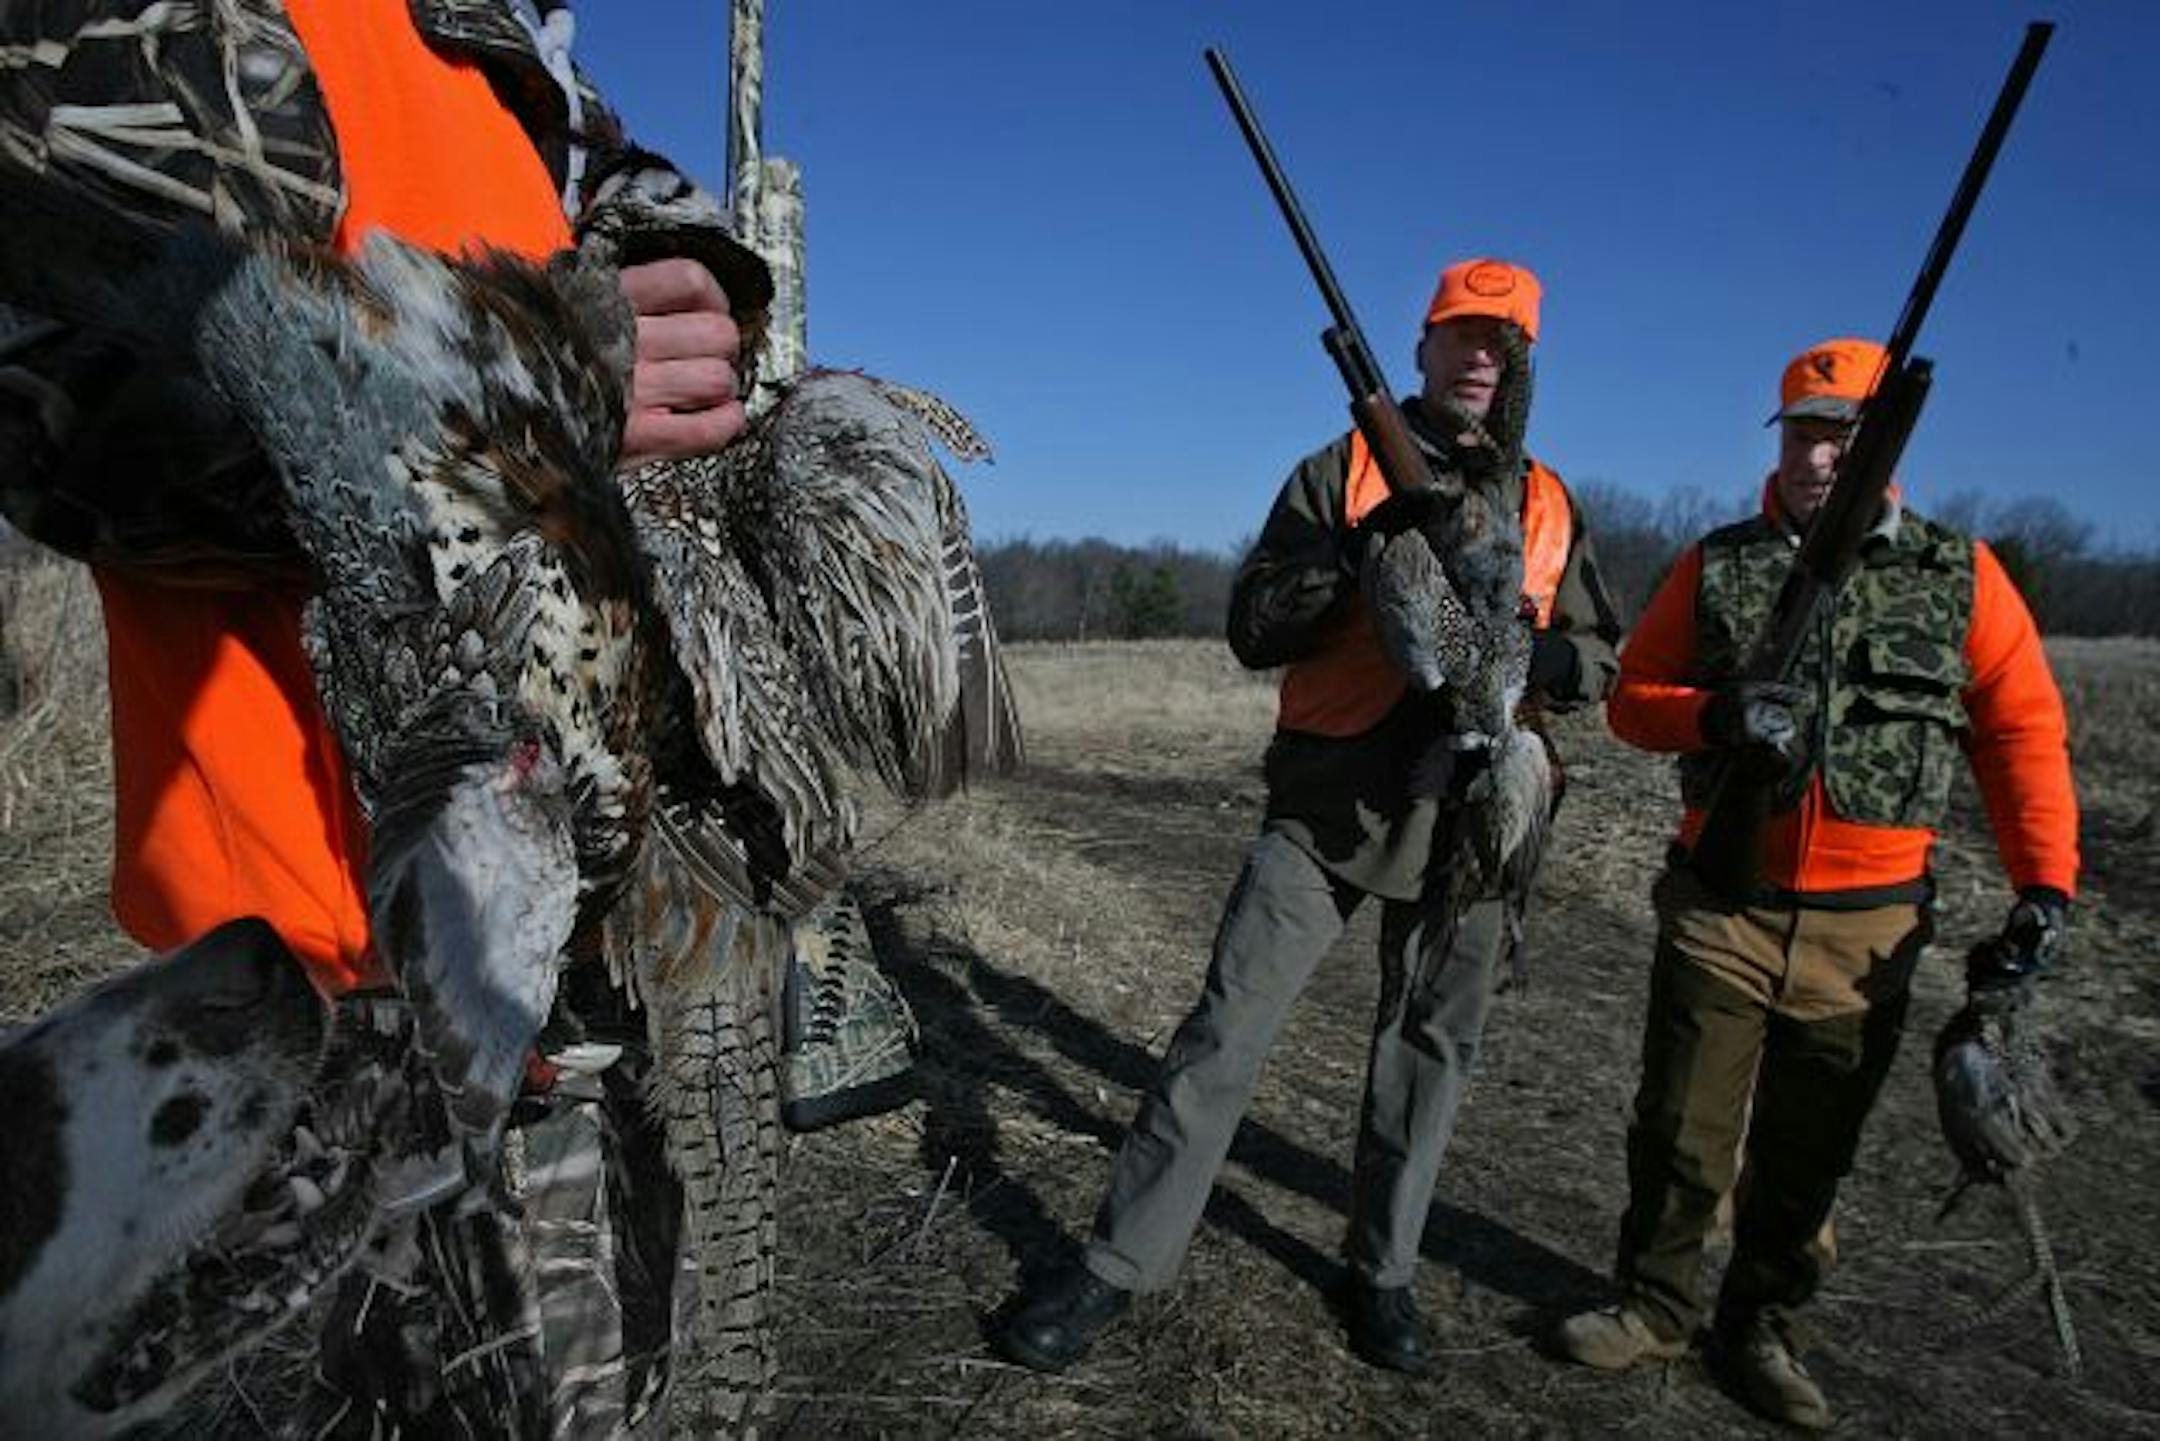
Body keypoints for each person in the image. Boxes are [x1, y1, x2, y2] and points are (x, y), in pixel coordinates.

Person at [0, 0, 896, 1428]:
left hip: (599, 941)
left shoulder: (505, 42)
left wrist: (680, 270)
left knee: (641, 1377)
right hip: (351, 985)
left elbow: (616, 187)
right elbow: (61, 394)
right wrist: (555, 386)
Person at [996, 257, 1624, 1376]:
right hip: (1329, 805)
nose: (1481, 358)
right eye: (1462, 335)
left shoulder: (1552, 505)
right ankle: (1118, 1263)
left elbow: (1603, 658)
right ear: (1423, 347)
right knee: (1225, 1031)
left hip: (1478, 818)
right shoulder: (1342, 472)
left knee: (1430, 1048)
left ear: (1526, 367)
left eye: (1505, 344)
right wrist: (1361, 559)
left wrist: (1549, 654)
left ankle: (1380, 1273)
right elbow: (1251, 624)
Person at [1549, 337, 2079, 1431]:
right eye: (1804, 432)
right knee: (1682, 1130)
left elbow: (2020, 732)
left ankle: (1764, 1329)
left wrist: (2045, 885)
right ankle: (1655, 1306)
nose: (1821, 455)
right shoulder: (1721, 561)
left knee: (1808, 1154)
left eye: (1844, 434)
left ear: (1880, 446)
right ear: (1780, 440)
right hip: (1720, 908)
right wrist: (1712, 713)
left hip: (1870, 931)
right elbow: (1632, 696)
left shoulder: (1959, 575)